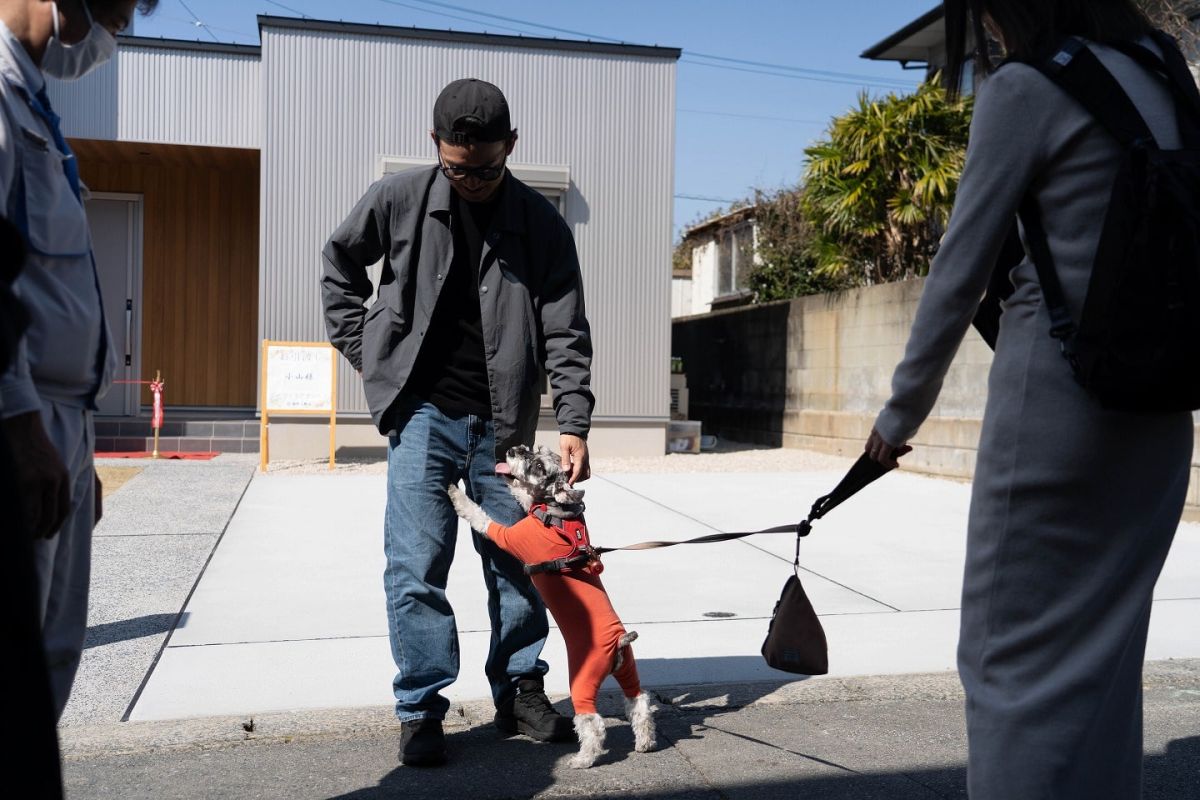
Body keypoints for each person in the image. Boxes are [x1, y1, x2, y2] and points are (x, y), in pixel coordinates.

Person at [864, 2, 1194, 798]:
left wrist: (897, 419)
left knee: (1006, 665)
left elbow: (958, 270)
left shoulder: (1028, 88)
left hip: (1055, 412)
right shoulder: (1165, 71)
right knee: (1105, 669)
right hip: (1163, 412)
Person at [321, 77, 594, 767]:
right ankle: (419, 708)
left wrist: (574, 420)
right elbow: (339, 272)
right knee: (416, 567)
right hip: (423, 419)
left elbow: (565, 328)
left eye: (488, 167)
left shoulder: (541, 224)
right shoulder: (397, 201)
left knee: (521, 563)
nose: (472, 180)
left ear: (512, 147)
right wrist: (372, 357)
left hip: (507, 431)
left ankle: (521, 690)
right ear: (435, 147)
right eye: (457, 168)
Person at [0, 0, 159, 721]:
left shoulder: (32, 99)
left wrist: (75, 448)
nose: (110, 39)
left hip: (59, 420)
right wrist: (22, 423)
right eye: (116, 13)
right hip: (19, 416)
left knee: (54, 655)